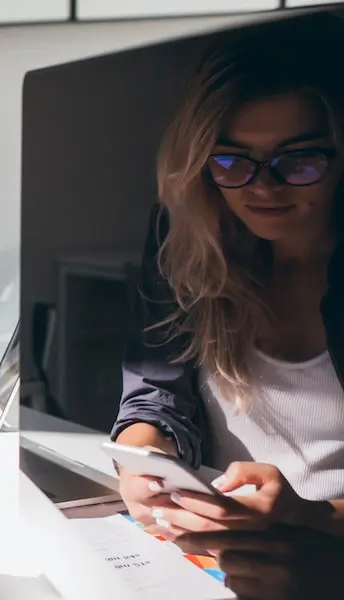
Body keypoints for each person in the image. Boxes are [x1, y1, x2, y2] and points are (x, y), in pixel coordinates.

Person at [110, 15, 344, 599]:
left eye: (300, 160)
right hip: (212, 563)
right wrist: (142, 459)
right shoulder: (185, 238)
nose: (263, 188)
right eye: (232, 160)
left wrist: (316, 523)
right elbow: (155, 392)